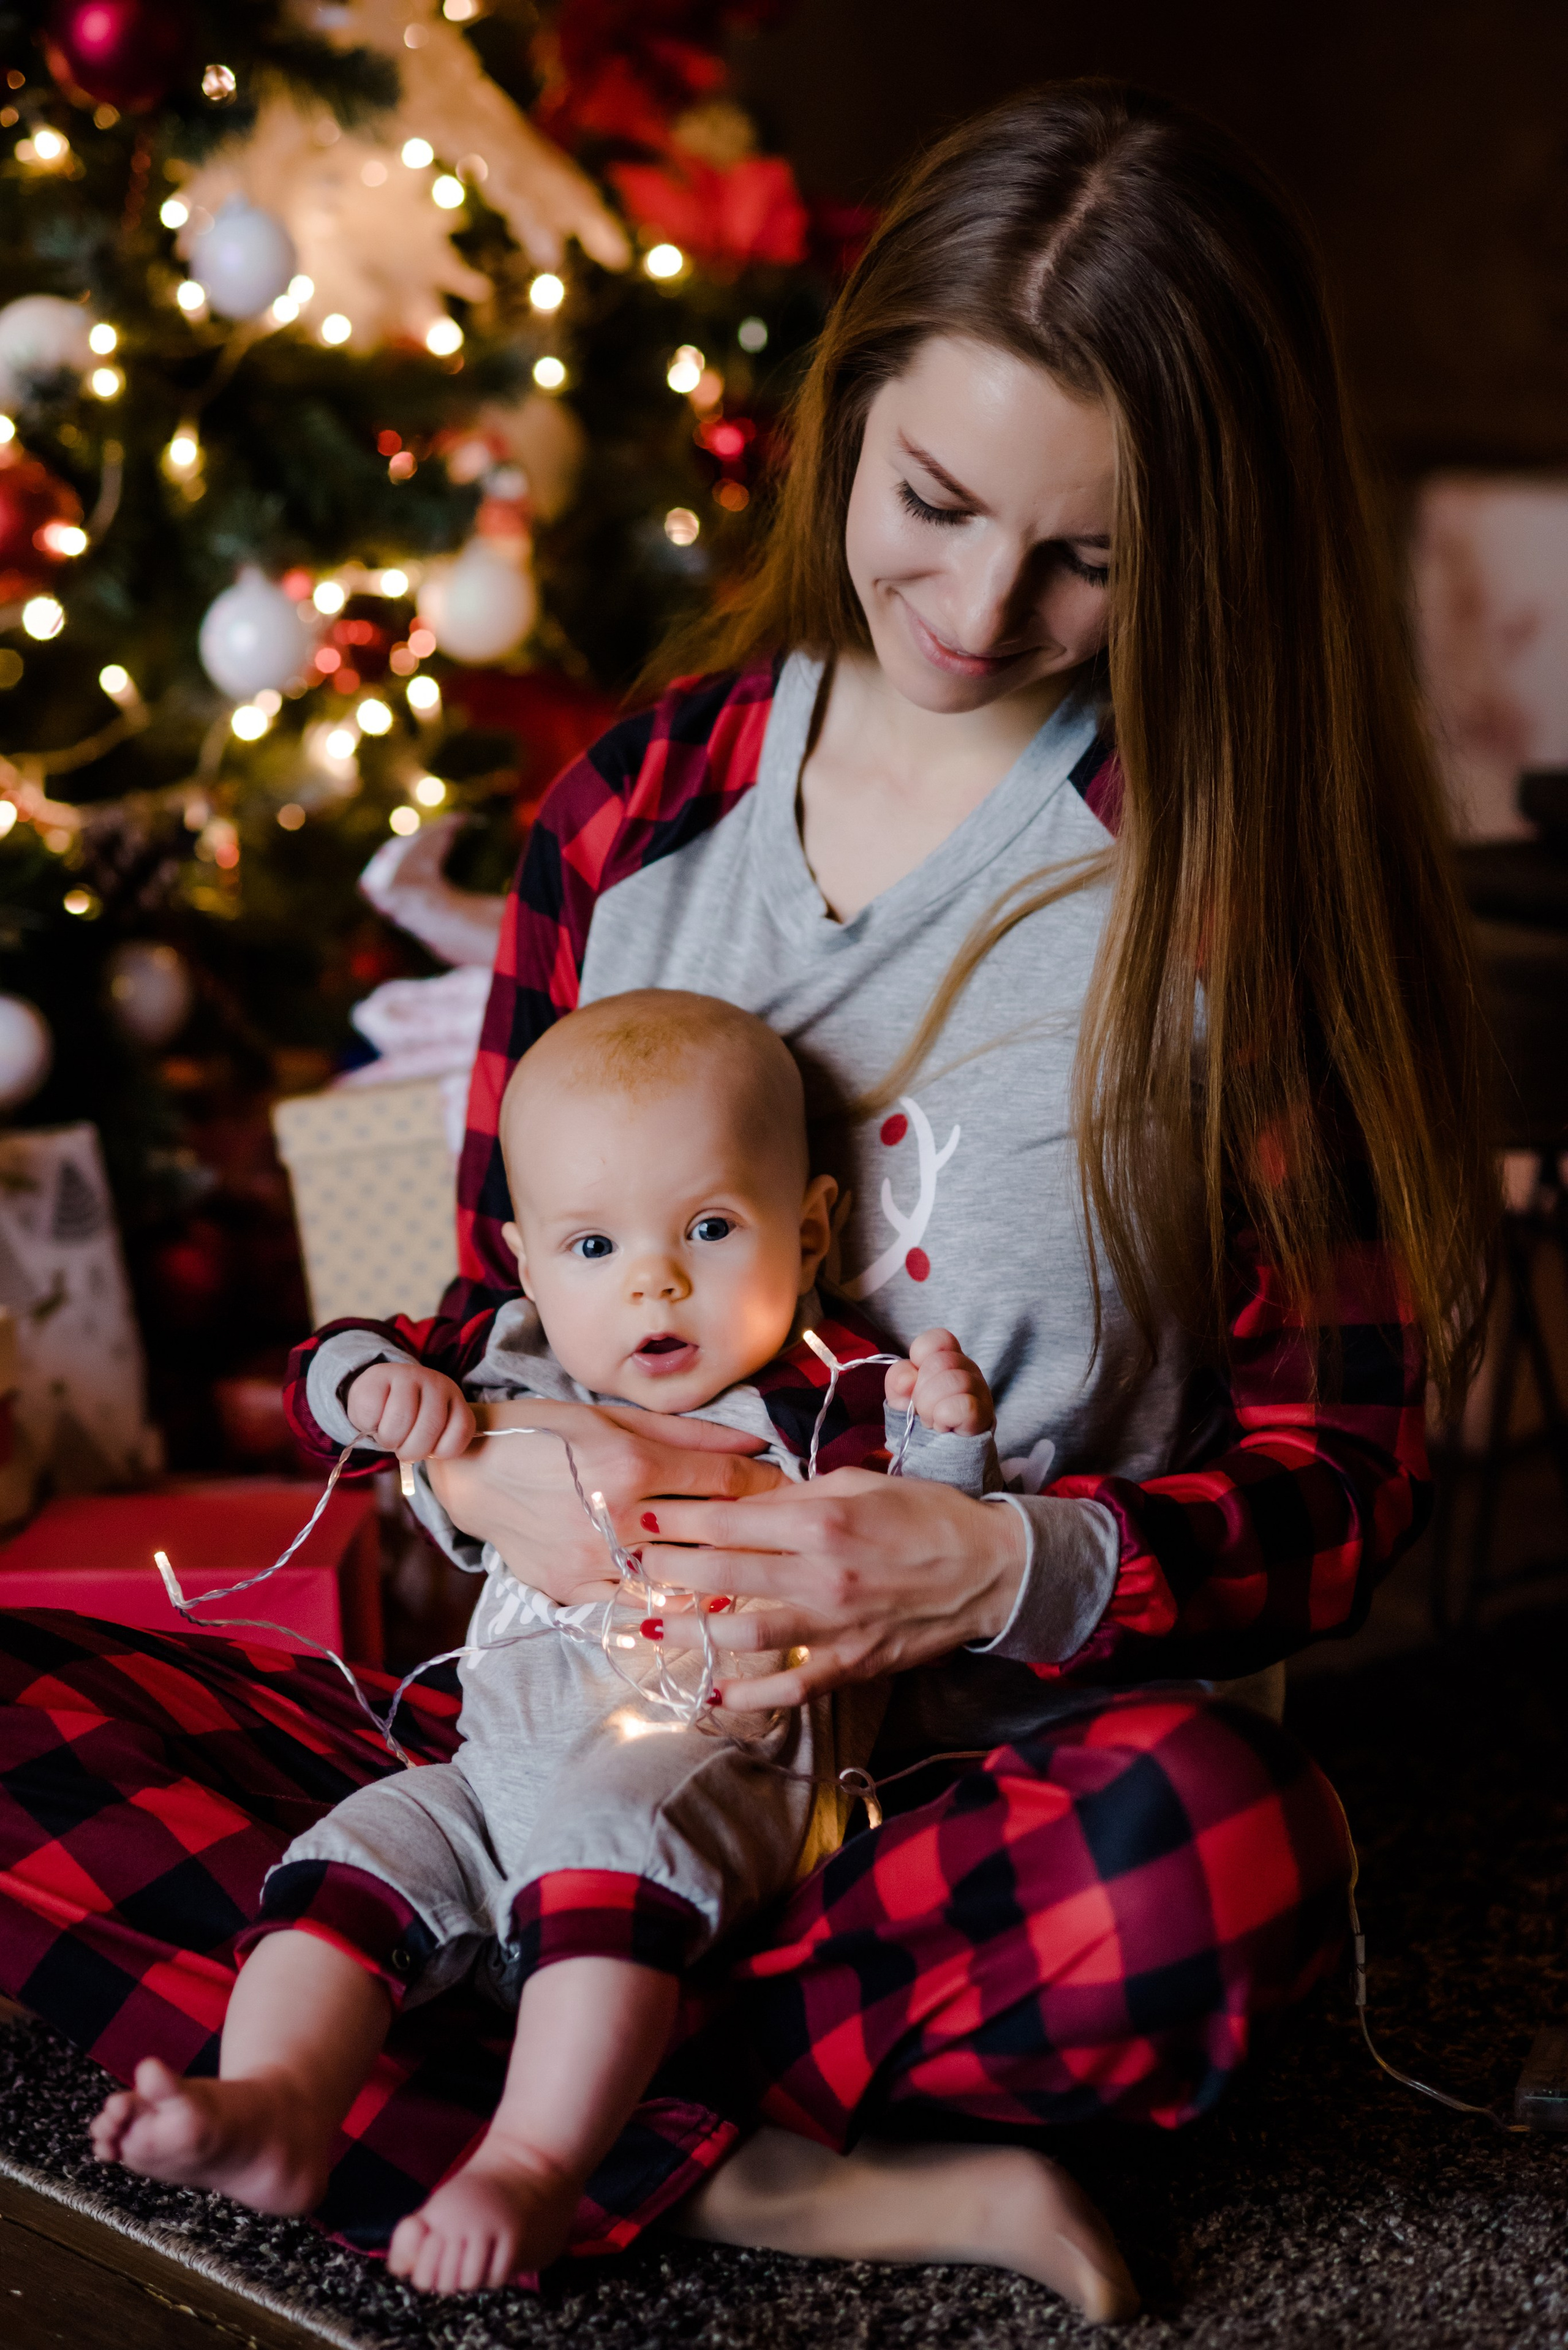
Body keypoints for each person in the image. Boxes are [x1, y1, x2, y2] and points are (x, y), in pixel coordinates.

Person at [0, 81, 1493, 2327]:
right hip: (537, 1728)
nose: (987, 607)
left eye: (1094, 552)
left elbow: (1343, 1473)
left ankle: (510, 2080)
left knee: (1215, 1841)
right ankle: (748, 2154)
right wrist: (479, 1450)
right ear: (847, 410)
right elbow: (482, 1291)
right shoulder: (637, 811)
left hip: (924, 1813)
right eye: (940, 501)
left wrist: (1009, 1553)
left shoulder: (1230, 904)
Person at [89, 989, 1012, 2298]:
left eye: (707, 1226)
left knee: (601, 1827)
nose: (652, 1278)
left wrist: (950, 1434)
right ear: (523, 1262)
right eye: (592, 1243)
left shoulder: (827, 1403)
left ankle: (530, 2159)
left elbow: (933, 1541)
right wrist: (371, 1382)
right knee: (355, 1849)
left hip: (715, 1767)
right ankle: (282, 2103)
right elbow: (326, 1360)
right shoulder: (513, 1357)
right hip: (484, 1775)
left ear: (807, 1229)